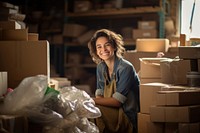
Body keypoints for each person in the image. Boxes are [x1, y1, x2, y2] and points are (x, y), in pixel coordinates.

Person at [88, 29, 140, 133]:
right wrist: (91, 102)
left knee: (93, 110)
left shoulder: (125, 68)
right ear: (96, 51)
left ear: (114, 46)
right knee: (89, 110)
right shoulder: (101, 67)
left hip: (126, 115)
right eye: (99, 47)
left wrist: (89, 100)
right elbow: (100, 95)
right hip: (111, 109)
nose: (103, 49)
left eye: (107, 45)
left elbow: (117, 102)